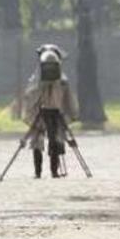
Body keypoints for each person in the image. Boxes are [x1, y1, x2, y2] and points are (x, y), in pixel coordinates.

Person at [21, 44, 79, 179]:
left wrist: (70, 112)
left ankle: (54, 171)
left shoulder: (62, 81)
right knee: (37, 140)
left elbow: (67, 98)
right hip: (40, 112)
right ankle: (38, 172)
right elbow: (30, 96)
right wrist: (41, 87)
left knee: (57, 140)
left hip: (56, 112)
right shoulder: (36, 79)